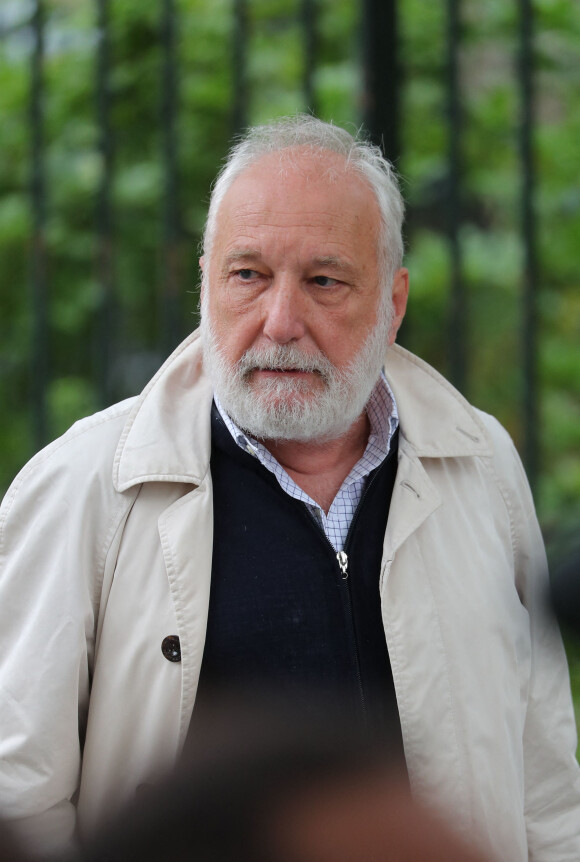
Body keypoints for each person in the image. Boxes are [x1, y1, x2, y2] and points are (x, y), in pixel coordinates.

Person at [0, 115, 579, 860]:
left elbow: (547, 789)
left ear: (393, 304)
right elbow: (18, 791)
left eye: (323, 281)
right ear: (205, 281)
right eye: (247, 275)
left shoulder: (481, 466)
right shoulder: (88, 485)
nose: (280, 321)